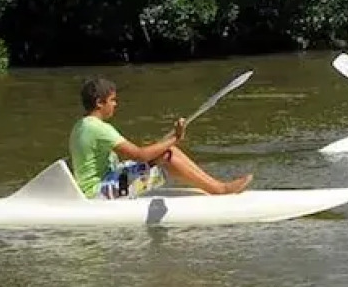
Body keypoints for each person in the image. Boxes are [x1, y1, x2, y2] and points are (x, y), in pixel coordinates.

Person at [69, 77, 251, 199]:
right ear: (100, 103)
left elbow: (138, 155)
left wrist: (169, 140)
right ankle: (220, 190)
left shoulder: (81, 125)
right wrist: (175, 139)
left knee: (166, 151)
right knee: (168, 154)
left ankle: (217, 187)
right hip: (99, 192)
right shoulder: (99, 129)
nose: (115, 104)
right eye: (112, 100)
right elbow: (139, 155)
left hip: (102, 182)